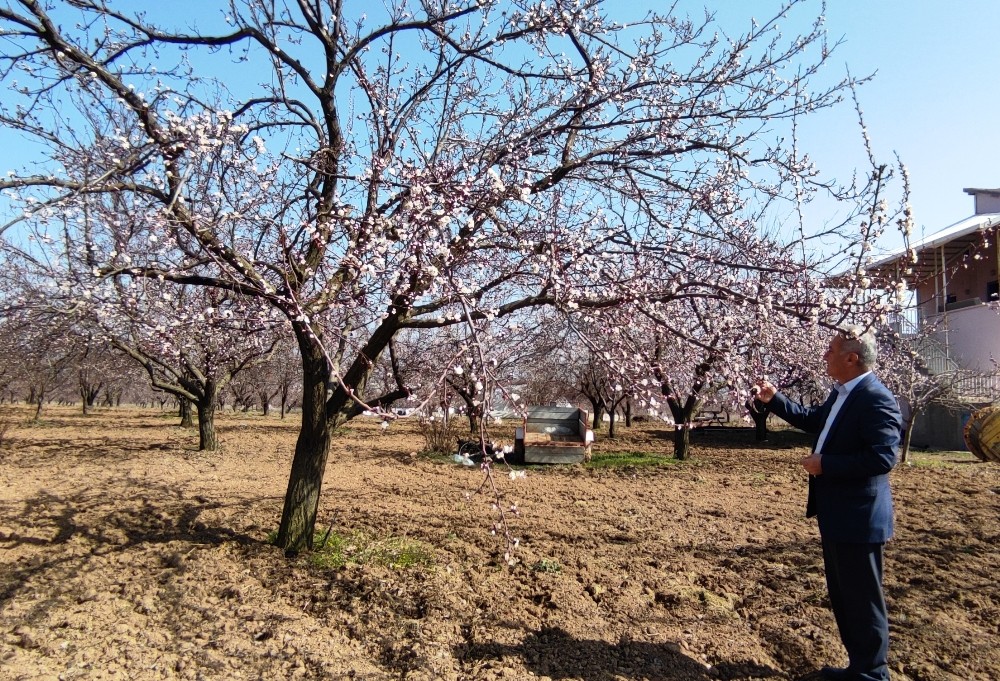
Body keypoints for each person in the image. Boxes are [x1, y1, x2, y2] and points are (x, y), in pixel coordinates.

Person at [755, 327, 901, 681]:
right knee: (846, 596)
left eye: (831, 349)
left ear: (852, 357)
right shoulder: (843, 395)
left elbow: (883, 457)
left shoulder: (875, 398)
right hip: (840, 514)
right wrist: (775, 400)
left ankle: (872, 675)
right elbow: (814, 421)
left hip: (860, 517)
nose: (825, 355)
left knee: (863, 600)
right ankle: (859, 668)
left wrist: (826, 465)